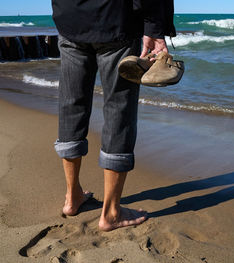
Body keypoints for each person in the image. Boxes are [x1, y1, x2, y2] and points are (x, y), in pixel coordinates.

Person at [52, 0, 176, 231]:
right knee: (119, 110)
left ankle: (72, 197)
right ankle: (110, 212)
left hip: (70, 18)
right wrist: (153, 27)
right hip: (116, 20)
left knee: (71, 104)